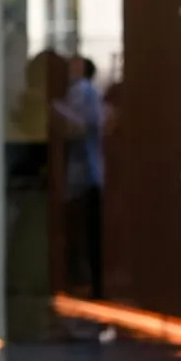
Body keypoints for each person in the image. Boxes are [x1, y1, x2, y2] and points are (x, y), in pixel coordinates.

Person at [53, 54, 106, 301]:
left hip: (83, 176)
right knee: (85, 234)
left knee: (82, 234)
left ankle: (86, 286)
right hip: (86, 176)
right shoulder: (83, 91)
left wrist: (54, 109)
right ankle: (89, 286)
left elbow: (81, 126)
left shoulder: (82, 91)